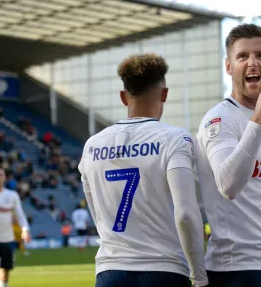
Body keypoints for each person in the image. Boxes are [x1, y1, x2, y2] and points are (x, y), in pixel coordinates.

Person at [78, 54, 208, 287]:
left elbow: (97, 213)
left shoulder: (92, 146)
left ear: (122, 97)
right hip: (164, 270)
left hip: (110, 272)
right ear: (165, 94)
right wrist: (199, 276)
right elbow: (186, 214)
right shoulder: (175, 139)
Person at [195, 23, 261, 287]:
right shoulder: (219, 120)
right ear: (228, 67)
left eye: (260, 55)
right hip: (236, 268)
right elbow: (228, 185)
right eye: (242, 56)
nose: (252, 63)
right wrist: (258, 123)